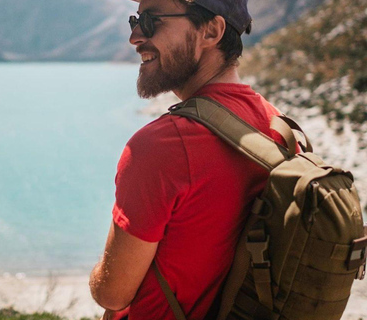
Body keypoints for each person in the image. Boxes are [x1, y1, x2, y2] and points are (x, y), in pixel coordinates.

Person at [89, 0, 285, 319]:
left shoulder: (161, 146)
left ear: (211, 31)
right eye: (135, 21)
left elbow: (112, 292)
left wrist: (100, 273)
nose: (135, 37)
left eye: (152, 20)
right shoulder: (280, 129)